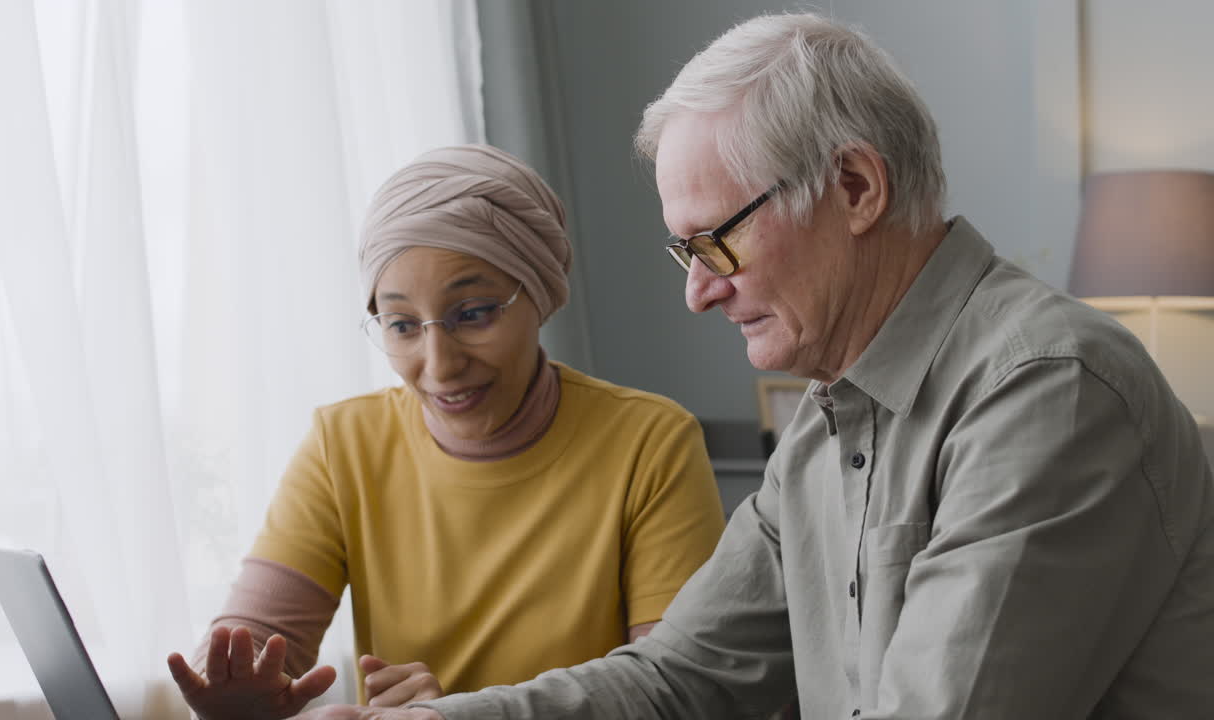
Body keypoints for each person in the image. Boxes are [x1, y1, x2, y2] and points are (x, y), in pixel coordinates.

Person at [289, 11, 1214, 720]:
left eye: (715, 242)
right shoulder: (824, 422)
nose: (697, 292)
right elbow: (678, 679)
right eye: (681, 253)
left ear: (856, 188)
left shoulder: (1047, 389)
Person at [164, 144, 727, 719]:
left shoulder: (650, 443)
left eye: (474, 312)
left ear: (541, 294)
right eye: (402, 325)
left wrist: (462, 715)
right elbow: (259, 637)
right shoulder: (344, 443)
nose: (438, 364)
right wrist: (237, 680)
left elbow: (672, 696)